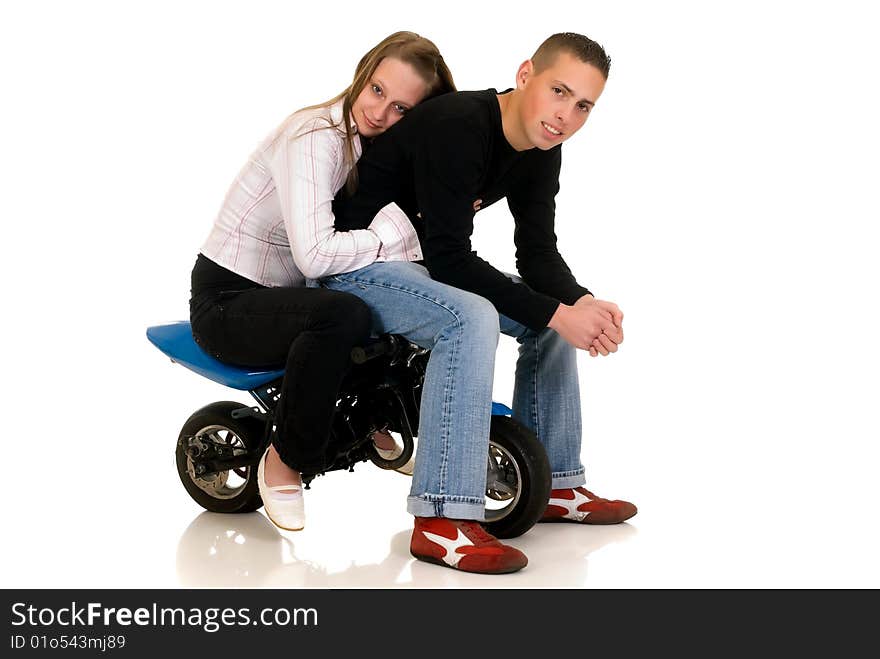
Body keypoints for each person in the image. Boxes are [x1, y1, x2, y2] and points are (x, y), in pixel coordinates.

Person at [329, 32, 637, 573]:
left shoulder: (542, 147)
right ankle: (442, 520)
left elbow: (537, 254)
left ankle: (556, 486)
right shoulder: (460, 124)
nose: (566, 115)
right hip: (353, 269)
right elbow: (451, 260)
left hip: (417, 267)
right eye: (558, 91)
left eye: (583, 105)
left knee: (548, 321)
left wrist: (581, 304)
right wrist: (559, 312)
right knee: (474, 316)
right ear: (525, 76)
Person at [189, 32, 456, 532]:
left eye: (400, 108)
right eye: (376, 89)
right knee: (345, 313)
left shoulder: (378, 152)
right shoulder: (315, 137)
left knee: (387, 296)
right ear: (363, 72)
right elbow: (314, 257)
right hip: (229, 298)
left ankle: (373, 415)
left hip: (292, 299)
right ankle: (285, 459)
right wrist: (384, 239)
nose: (378, 112)